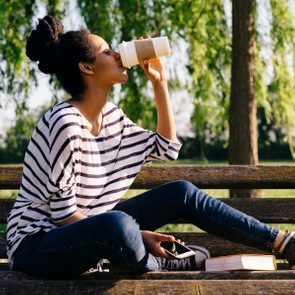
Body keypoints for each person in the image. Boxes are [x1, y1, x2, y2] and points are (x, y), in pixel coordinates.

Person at [6, 15, 295, 278]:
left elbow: (167, 148)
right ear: (86, 67)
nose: (118, 54)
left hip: (93, 232)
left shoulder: (112, 118)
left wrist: (160, 83)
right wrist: (137, 235)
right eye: (107, 51)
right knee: (117, 224)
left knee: (180, 192)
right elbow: (64, 216)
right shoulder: (63, 124)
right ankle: (162, 263)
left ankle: (283, 242)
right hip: (38, 246)